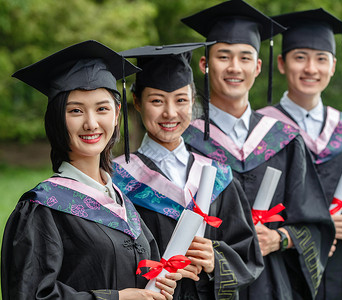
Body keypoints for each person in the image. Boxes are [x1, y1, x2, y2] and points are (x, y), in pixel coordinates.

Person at [0, 40, 183, 300]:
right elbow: (30, 295)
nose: (91, 123)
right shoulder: (42, 209)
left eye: (102, 109)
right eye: (75, 110)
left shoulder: (120, 201)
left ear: (117, 114)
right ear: (56, 118)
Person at [180, 1, 336, 299]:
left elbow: (316, 224)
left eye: (245, 57)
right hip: (207, 286)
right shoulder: (186, 141)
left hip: (273, 283)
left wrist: (280, 238)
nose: (235, 67)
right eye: (223, 56)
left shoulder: (284, 140)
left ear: (258, 66)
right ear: (205, 64)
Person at [112, 42, 264, 299]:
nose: (170, 113)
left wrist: (215, 258)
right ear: (137, 102)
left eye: (181, 100)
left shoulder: (218, 175)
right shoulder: (116, 178)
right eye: (157, 101)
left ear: (193, 102)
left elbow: (248, 253)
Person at [257, 8, 342, 300]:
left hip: (335, 267)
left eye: (321, 59)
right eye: (300, 57)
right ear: (281, 63)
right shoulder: (260, 131)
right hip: (277, 267)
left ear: (333, 66)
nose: (311, 69)